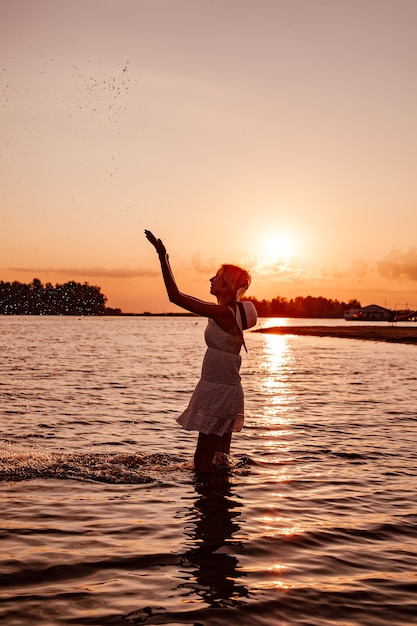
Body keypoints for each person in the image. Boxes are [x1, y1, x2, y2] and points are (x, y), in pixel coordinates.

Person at [145, 230, 257, 474]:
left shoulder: (225, 313)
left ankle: (207, 505)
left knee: (202, 464)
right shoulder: (228, 314)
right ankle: (219, 504)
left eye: (216, 277)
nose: (210, 279)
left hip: (218, 391)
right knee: (219, 462)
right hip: (225, 389)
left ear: (226, 285)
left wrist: (163, 257)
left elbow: (175, 297)